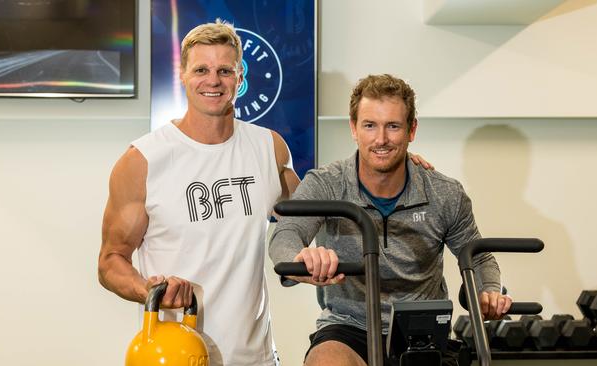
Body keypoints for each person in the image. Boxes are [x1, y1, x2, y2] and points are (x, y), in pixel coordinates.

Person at [98, 20, 433, 365]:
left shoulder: (267, 148)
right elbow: (110, 260)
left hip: (255, 357)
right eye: (201, 69)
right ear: (182, 74)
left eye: (224, 70)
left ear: (240, 78)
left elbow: (316, 210)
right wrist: (149, 289)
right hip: (176, 354)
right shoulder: (143, 160)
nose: (213, 80)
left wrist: (394, 164)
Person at [268, 74, 512, 366]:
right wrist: (303, 259)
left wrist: (488, 292)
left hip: (422, 329)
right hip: (349, 327)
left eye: (393, 126)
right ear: (353, 128)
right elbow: (285, 235)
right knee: (325, 361)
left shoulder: (445, 193)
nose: (381, 139)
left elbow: (480, 258)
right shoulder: (327, 184)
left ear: (412, 130)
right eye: (370, 125)